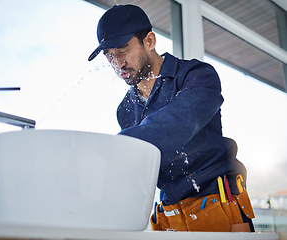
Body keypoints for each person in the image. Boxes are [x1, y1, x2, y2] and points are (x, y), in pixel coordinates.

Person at [88, 4, 255, 232]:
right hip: (169, 217)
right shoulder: (125, 110)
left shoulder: (196, 76)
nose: (118, 63)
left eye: (123, 49)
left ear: (149, 41)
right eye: (110, 56)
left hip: (219, 207)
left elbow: (179, 123)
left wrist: (114, 147)